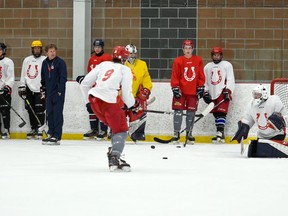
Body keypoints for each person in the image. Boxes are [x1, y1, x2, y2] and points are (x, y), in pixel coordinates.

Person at [80, 46, 139, 172]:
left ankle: (117, 154)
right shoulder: (125, 69)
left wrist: (87, 103)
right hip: (108, 102)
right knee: (122, 129)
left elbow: (84, 83)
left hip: (94, 99)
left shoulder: (104, 64)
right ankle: (114, 156)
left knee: (115, 127)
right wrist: (133, 105)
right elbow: (126, 95)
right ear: (124, 58)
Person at [231, 84, 288, 158]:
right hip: (262, 136)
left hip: (277, 135)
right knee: (256, 153)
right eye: (255, 94)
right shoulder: (251, 104)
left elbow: (286, 117)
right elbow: (248, 118)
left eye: (258, 94)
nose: (256, 96)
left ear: (264, 94)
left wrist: (281, 120)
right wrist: (245, 126)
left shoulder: (274, 102)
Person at [170, 39, 205, 144]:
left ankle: (189, 133)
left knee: (191, 113)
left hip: (193, 91)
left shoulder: (198, 60)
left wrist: (200, 87)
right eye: (186, 48)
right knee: (178, 112)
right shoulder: (178, 61)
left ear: (192, 49)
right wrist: (175, 87)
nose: (188, 50)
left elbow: (200, 75)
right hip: (180, 91)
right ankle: (176, 134)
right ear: (183, 49)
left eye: (189, 48)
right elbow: (175, 75)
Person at [76, 39, 112, 140]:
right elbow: (90, 74)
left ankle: (104, 130)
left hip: (102, 88)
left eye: (99, 47)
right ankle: (94, 129)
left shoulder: (107, 58)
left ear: (102, 47)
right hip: (93, 88)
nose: (97, 49)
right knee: (92, 108)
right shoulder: (92, 59)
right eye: (95, 47)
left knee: (102, 109)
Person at [203, 47, 235, 143]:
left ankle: (219, 133)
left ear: (221, 55)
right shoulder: (207, 67)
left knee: (221, 112)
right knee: (216, 114)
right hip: (212, 92)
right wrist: (205, 92)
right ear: (212, 56)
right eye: (214, 55)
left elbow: (230, 79)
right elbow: (205, 81)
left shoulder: (227, 65)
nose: (216, 57)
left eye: (218, 55)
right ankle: (220, 133)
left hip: (222, 91)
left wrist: (228, 91)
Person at [18, 40, 46, 139]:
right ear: (32, 49)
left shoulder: (45, 59)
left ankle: (40, 128)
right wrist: (22, 86)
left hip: (40, 88)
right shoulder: (27, 60)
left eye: (38, 48)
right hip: (29, 88)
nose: (37, 50)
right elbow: (23, 74)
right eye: (35, 48)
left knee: (40, 109)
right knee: (30, 109)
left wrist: (45, 87)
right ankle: (33, 128)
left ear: (41, 49)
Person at [124, 44, 153, 142]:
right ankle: (117, 133)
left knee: (140, 112)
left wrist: (146, 89)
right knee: (119, 114)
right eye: (130, 53)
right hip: (122, 96)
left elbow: (146, 78)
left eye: (134, 53)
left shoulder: (142, 64)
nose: (132, 55)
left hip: (136, 96)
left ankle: (137, 133)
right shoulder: (121, 65)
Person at [40, 44, 67, 145]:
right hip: (48, 92)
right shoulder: (44, 63)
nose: (53, 53)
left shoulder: (60, 63)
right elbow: (43, 77)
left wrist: (60, 90)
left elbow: (63, 77)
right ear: (46, 53)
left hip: (58, 92)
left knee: (57, 114)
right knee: (49, 113)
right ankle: (50, 132)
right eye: (50, 51)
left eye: (54, 51)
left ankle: (57, 135)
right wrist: (43, 88)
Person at [0, 42, 15, 139]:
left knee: (5, 111)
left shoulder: (8, 61)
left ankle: (6, 129)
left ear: (4, 51)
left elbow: (11, 76)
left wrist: (7, 87)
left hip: (4, 91)